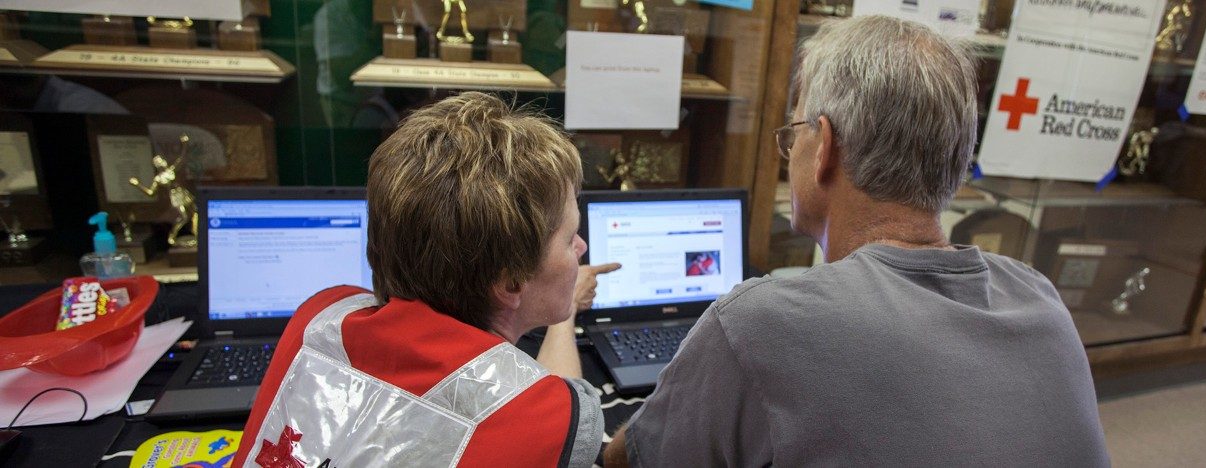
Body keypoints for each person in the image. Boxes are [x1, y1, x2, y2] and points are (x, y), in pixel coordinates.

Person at [603, 15, 1109, 466]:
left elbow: (626, 462)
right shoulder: (1039, 295)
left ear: (824, 147)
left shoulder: (761, 323)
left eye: (794, 130)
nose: (790, 148)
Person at [234, 92, 603, 467]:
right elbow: (558, 407)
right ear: (510, 284)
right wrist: (567, 315)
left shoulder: (321, 317)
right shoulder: (549, 417)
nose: (581, 246)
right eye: (569, 236)